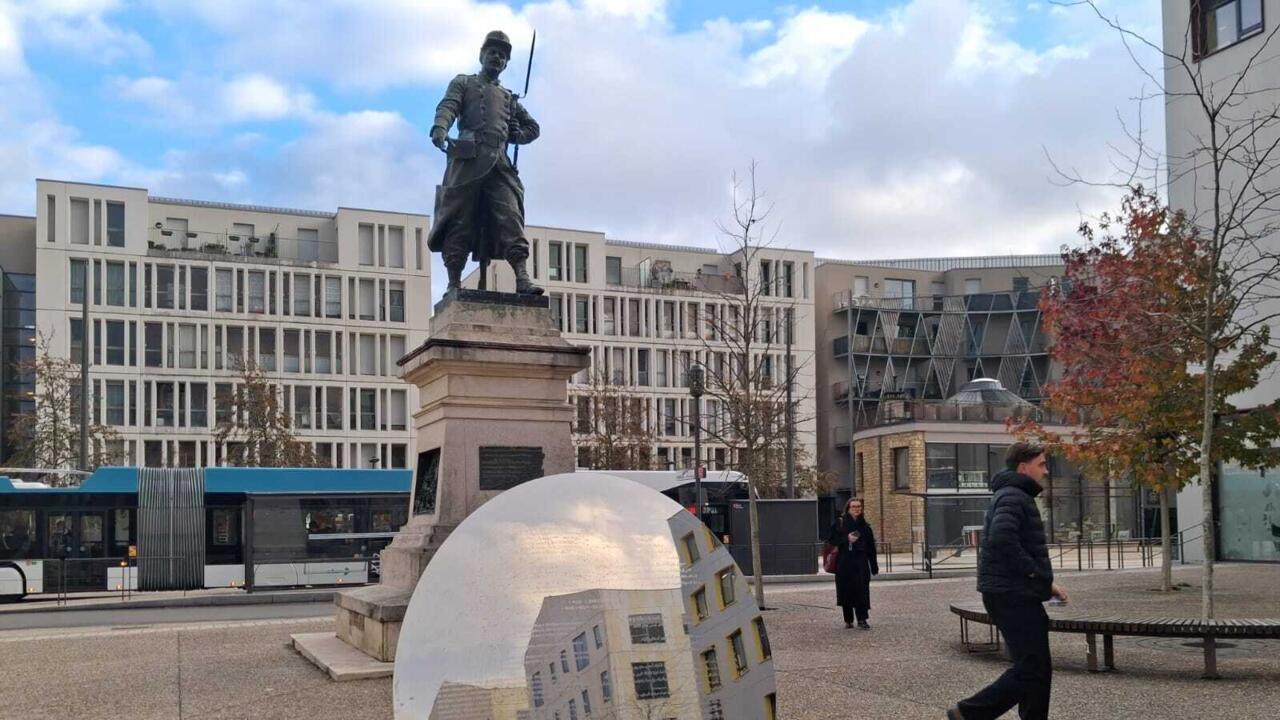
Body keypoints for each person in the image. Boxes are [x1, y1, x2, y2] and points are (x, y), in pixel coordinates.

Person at [948, 442, 1069, 720]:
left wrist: (1046, 585)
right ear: (1023, 467)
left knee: (1037, 666)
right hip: (1011, 595)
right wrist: (1036, 574)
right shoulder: (1014, 496)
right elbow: (1003, 539)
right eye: (1041, 465)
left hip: (1015, 592)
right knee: (1031, 667)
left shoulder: (1014, 495)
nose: (1046, 471)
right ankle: (970, 712)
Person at [428, 30, 542, 295]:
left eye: (502, 56)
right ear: (482, 55)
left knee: (511, 217)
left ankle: (522, 278)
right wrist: (440, 128)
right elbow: (448, 106)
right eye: (492, 53)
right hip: (467, 160)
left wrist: (516, 134)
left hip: (499, 165)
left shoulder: (509, 98)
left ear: (505, 64)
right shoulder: (463, 82)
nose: (497, 58)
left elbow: (533, 129)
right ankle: (454, 281)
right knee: (458, 220)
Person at [825, 498, 878, 629]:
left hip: (861, 562)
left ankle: (862, 619)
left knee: (862, 591)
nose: (857, 509)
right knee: (846, 590)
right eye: (854, 506)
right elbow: (832, 540)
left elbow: (871, 547)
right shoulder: (840, 523)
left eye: (859, 506)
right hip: (845, 562)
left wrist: (874, 565)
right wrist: (846, 539)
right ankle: (848, 619)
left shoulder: (865, 526)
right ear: (848, 508)